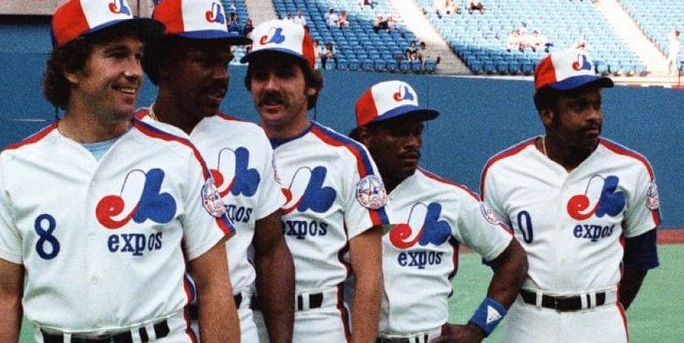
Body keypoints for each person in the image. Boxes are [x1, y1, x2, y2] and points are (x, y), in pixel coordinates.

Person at [0, 0, 240, 342]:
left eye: (138, 56)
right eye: (117, 56)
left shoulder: (179, 156)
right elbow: (0, 294)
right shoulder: (15, 167)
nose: (134, 72)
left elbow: (214, 286)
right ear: (71, 67)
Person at [139, 0, 296, 342]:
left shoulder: (249, 140)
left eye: (224, 62)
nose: (221, 76)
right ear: (163, 63)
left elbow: (271, 251)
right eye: (204, 61)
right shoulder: (126, 142)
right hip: (157, 328)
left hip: (237, 323)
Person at [481, 49, 661, 343]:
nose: (593, 116)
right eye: (579, 106)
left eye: (596, 104)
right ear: (547, 114)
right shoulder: (502, 171)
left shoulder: (633, 169)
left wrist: (599, 306)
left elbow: (641, 256)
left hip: (600, 321)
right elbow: (499, 258)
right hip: (528, 319)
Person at [241, 19, 390, 342]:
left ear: (311, 85)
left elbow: (369, 277)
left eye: (284, 73)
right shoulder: (233, 150)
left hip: (318, 321)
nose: (270, 86)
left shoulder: (348, 156)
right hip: (246, 321)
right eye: (260, 75)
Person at [350, 80, 528, 342]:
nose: (412, 142)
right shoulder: (343, 195)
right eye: (399, 132)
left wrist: (477, 329)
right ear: (366, 136)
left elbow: (514, 259)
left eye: (417, 132)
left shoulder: (450, 197)